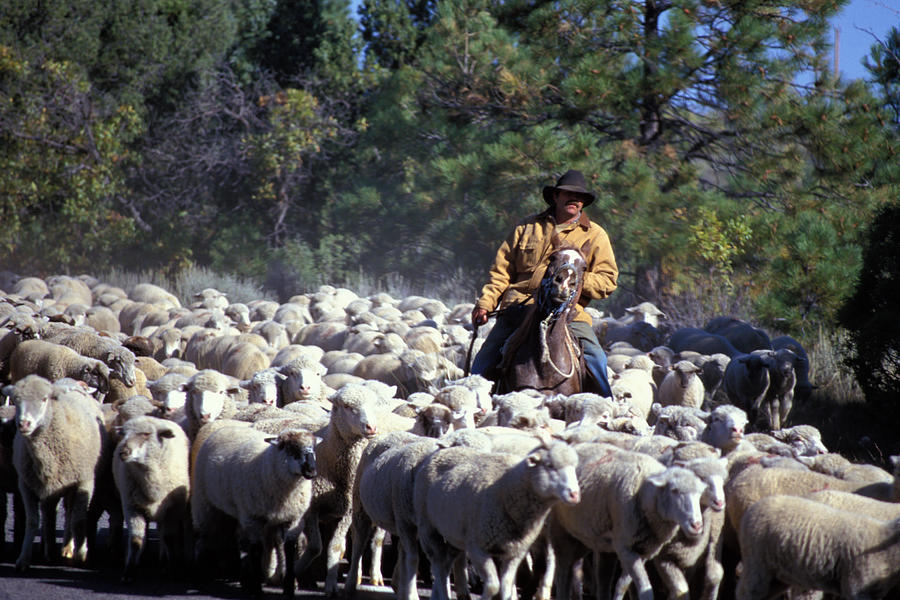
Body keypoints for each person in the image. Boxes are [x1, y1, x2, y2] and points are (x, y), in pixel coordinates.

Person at [470, 169, 618, 396]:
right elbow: (501, 271)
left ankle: (606, 406)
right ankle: (471, 401)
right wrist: (486, 303)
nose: (575, 200)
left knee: (596, 356)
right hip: (519, 307)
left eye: (580, 197)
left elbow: (608, 280)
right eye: (568, 194)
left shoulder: (596, 235)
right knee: (487, 354)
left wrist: (573, 278)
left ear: (584, 203)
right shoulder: (526, 227)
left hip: (568, 311)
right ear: (555, 196)